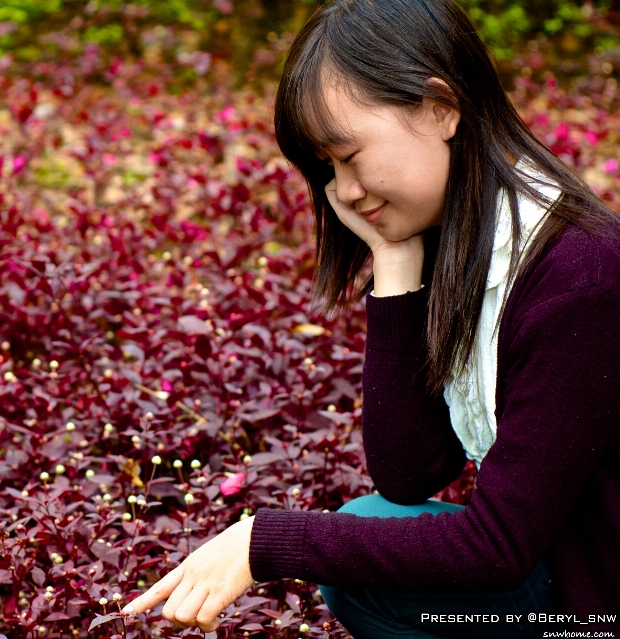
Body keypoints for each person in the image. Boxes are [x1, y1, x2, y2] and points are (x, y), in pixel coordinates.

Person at [121, 0, 620, 637]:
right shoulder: (466, 238)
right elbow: (409, 473)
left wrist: (268, 540)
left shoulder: (581, 275)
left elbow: (498, 546)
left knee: (370, 548)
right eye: (327, 169)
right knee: (372, 542)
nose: (345, 191)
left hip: (592, 615)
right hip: (552, 582)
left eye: (349, 154)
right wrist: (393, 262)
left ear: (440, 109)